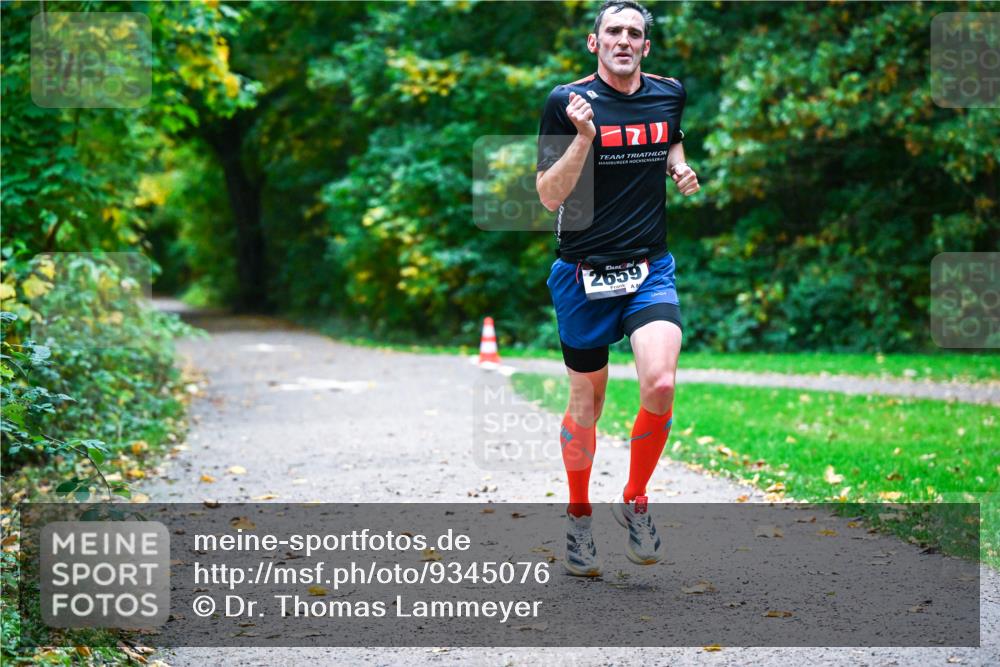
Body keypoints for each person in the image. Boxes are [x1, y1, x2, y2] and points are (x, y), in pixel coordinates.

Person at [535, 0, 700, 577]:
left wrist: (678, 165)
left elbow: (670, 135)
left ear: (646, 47)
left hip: (648, 267)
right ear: (594, 42)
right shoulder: (567, 102)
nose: (624, 40)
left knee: (659, 381)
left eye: (634, 33)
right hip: (582, 273)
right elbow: (550, 196)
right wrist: (583, 137)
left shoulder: (669, 91)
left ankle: (634, 499)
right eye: (614, 31)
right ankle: (579, 517)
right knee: (589, 404)